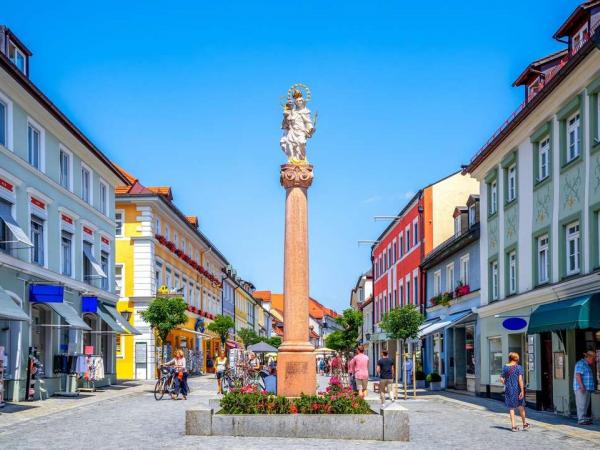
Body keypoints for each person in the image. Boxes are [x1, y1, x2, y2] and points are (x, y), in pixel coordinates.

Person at [499, 352, 529, 432]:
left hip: (509, 389)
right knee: (521, 406)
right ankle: (524, 424)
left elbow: (501, 378)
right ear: (516, 358)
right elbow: (520, 380)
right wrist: (522, 390)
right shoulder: (519, 367)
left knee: (511, 407)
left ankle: (513, 426)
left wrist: (506, 383)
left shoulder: (505, 367)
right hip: (517, 389)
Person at [574, 350, 596, 425]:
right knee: (581, 404)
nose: (594, 360)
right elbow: (578, 375)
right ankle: (581, 419)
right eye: (593, 359)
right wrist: (581, 386)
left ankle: (583, 418)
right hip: (581, 388)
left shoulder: (586, 365)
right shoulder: (581, 364)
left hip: (587, 389)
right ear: (588, 357)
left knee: (585, 404)